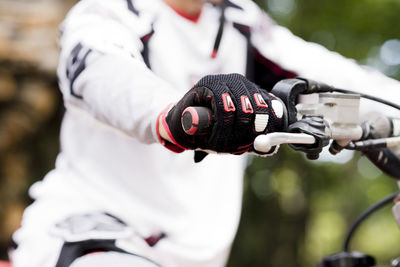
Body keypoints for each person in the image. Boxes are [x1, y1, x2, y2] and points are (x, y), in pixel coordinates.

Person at [10, 0, 400, 266]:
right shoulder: (111, 10)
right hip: (95, 238)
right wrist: (170, 113)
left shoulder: (238, 18)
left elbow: (336, 78)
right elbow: (99, 73)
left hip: (198, 255)